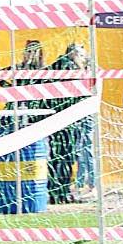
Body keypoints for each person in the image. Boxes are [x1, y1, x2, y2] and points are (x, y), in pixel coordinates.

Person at [46, 42, 90, 204]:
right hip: (68, 118)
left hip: (56, 116)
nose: (84, 60)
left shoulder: (55, 66)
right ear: (74, 54)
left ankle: (55, 192)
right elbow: (80, 93)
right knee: (66, 156)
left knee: (56, 156)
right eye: (82, 56)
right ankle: (61, 192)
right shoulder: (71, 68)